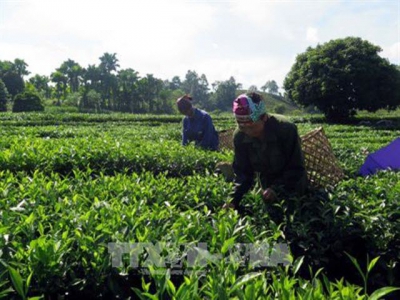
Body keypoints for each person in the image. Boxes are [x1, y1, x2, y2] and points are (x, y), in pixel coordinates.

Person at [225, 92, 308, 214]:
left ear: (264, 118)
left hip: (293, 183)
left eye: (252, 127)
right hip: (266, 184)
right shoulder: (240, 136)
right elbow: (243, 173)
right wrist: (233, 200)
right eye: (243, 128)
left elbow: (296, 168)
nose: (247, 132)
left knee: (294, 214)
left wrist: (277, 190)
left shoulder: (285, 129)